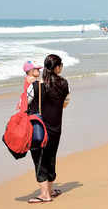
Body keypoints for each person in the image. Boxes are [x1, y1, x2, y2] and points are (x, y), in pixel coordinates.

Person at [27, 54, 70, 203]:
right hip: (56, 128)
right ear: (57, 68)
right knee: (51, 158)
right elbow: (65, 103)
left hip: (39, 128)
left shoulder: (37, 85)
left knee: (39, 160)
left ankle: (45, 195)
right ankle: (50, 191)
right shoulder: (65, 84)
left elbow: (25, 103)